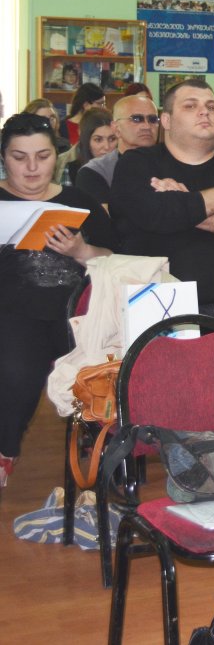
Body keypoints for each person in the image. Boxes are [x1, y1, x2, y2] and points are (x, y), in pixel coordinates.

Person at [0, 113, 114, 493]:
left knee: (105, 364)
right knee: (16, 366)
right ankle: (5, 448)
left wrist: (82, 250)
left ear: (57, 156)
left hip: (78, 313)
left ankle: (102, 448)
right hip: (13, 312)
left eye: (43, 156)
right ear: (4, 158)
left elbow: (115, 257)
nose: (32, 168)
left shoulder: (78, 202)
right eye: (19, 157)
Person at [111, 79, 214, 314]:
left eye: (211, 107)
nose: (204, 112)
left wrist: (183, 202)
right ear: (166, 120)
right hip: (153, 304)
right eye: (190, 106)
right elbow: (156, 214)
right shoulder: (136, 163)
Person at [75, 94, 160, 208]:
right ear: (116, 128)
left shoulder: (173, 162)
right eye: (136, 119)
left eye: (153, 119)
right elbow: (103, 218)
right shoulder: (95, 172)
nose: (147, 126)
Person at [63, 107, 115, 186]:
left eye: (112, 139)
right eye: (98, 140)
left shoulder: (125, 166)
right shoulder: (71, 169)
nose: (106, 146)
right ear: (86, 140)